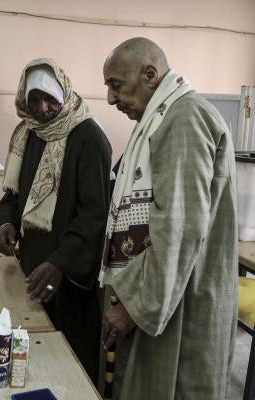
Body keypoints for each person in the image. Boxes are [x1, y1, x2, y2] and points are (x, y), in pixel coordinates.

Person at [100, 37, 237, 400]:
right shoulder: (163, 116)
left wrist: (136, 306)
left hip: (179, 304)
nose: (111, 98)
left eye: (116, 84)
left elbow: (179, 228)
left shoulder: (184, 117)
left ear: (149, 74)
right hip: (164, 292)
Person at [0, 58, 111, 383]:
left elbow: (94, 216)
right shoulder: (28, 134)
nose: (42, 107)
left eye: (49, 98)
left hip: (68, 278)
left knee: (69, 366)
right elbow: (14, 195)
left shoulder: (89, 137)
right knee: (32, 363)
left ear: (65, 93)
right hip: (33, 270)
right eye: (33, 99)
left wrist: (59, 263)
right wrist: (6, 223)